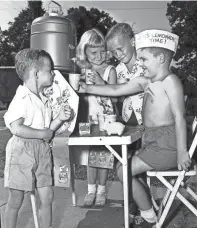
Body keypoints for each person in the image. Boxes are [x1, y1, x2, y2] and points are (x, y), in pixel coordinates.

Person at [78, 29, 192, 227]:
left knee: (123, 171)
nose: (139, 64)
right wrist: (86, 88)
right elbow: (115, 90)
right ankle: (149, 210)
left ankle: (149, 216)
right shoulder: (145, 82)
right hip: (154, 142)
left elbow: (180, 117)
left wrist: (182, 152)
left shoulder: (170, 82)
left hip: (168, 145)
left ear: (161, 58)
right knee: (122, 166)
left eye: (144, 60)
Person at [3, 48, 72, 228]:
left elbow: (47, 130)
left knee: (47, 196)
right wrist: (43, 134)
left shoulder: (42, 98)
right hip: (22, 151)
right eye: (49, 70)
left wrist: (59, 119)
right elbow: (17, 128)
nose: (53, 73)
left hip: (41, 150)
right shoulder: (22, 98)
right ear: (36, 73)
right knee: (16, 199)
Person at [105, 22, 145, 218]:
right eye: (113, 51)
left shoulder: (147, 62)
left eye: (120, 48)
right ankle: (132, 207)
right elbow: (115, 96)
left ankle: (141, 210)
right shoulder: (118, 70)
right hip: (128, 123)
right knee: (123, 163)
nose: (118, 54)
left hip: (148, 123)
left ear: (132, 41)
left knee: (139, 168)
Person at [76, 28, 117, 207]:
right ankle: (90, 190)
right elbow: (80, 98)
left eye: (102, 51)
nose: (99, 56)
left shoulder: (110, 70)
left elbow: (116, 96)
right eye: (94, 52)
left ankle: (101, 191)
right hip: (87, 120)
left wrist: (101, 83)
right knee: (90, 157)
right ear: (84, 51)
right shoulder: (82, 71)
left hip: (106, 120)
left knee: (104, 156)